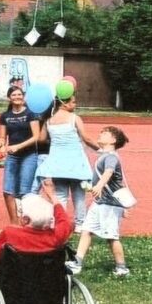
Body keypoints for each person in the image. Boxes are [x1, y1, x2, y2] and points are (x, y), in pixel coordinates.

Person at [69, 126, 131, 278]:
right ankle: (77, 262)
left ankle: (122, 268)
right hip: (100, 202)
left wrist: (99, 185)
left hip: (110, 204)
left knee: (111, 237)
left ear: (113, 140)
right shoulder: (104, 155)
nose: (100, 134)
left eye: (105, 133)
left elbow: (108, 172)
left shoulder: (111, 157)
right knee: (87, 230)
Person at [36, 93, 95, 225]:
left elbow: (41, 139)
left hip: (57, 163)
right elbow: (86, 138)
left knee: (61, 195)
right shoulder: (75, 118)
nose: (75, 104)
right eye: (73, 102)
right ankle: (80, 224)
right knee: (79, 195)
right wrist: (101, 149)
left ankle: (60, 223)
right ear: (64, 103)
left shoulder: (49, 121)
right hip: (75, 163)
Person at [0, 182, 73, 267]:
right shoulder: (56, 237)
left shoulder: (10, 234)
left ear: (25, 220)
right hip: (49, 281)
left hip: (17, 281)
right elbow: (65, 221)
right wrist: (53, 197)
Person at [0, 85, 41, 222]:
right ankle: (14, 222)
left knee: (24, 191)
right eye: (14, 95)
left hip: (29, 156)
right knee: (7, 191)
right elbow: (2, 137)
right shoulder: (5, 116)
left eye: (19, 95)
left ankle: (26, 223)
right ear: (9, 98)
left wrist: (18, 146)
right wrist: (1, 144)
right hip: (12, 156)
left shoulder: (30, 114)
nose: (17, 97)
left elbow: (36, 136)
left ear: (23, 97)